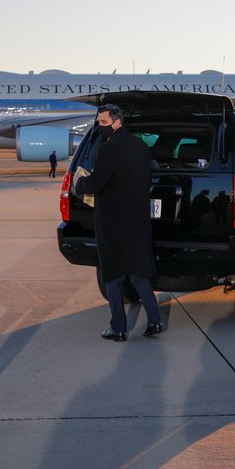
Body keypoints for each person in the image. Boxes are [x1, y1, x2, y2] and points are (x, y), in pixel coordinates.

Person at [73, 104, 163, 341]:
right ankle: (154, 320)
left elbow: (96, 183)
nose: (99, 127)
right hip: (137, 220)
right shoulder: (140, 146)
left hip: (113, 221)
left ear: (117, 122)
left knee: (113, 276)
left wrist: (79, 184)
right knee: (139, 273)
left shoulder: (108, 149)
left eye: (103, 123)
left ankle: (118, 328)